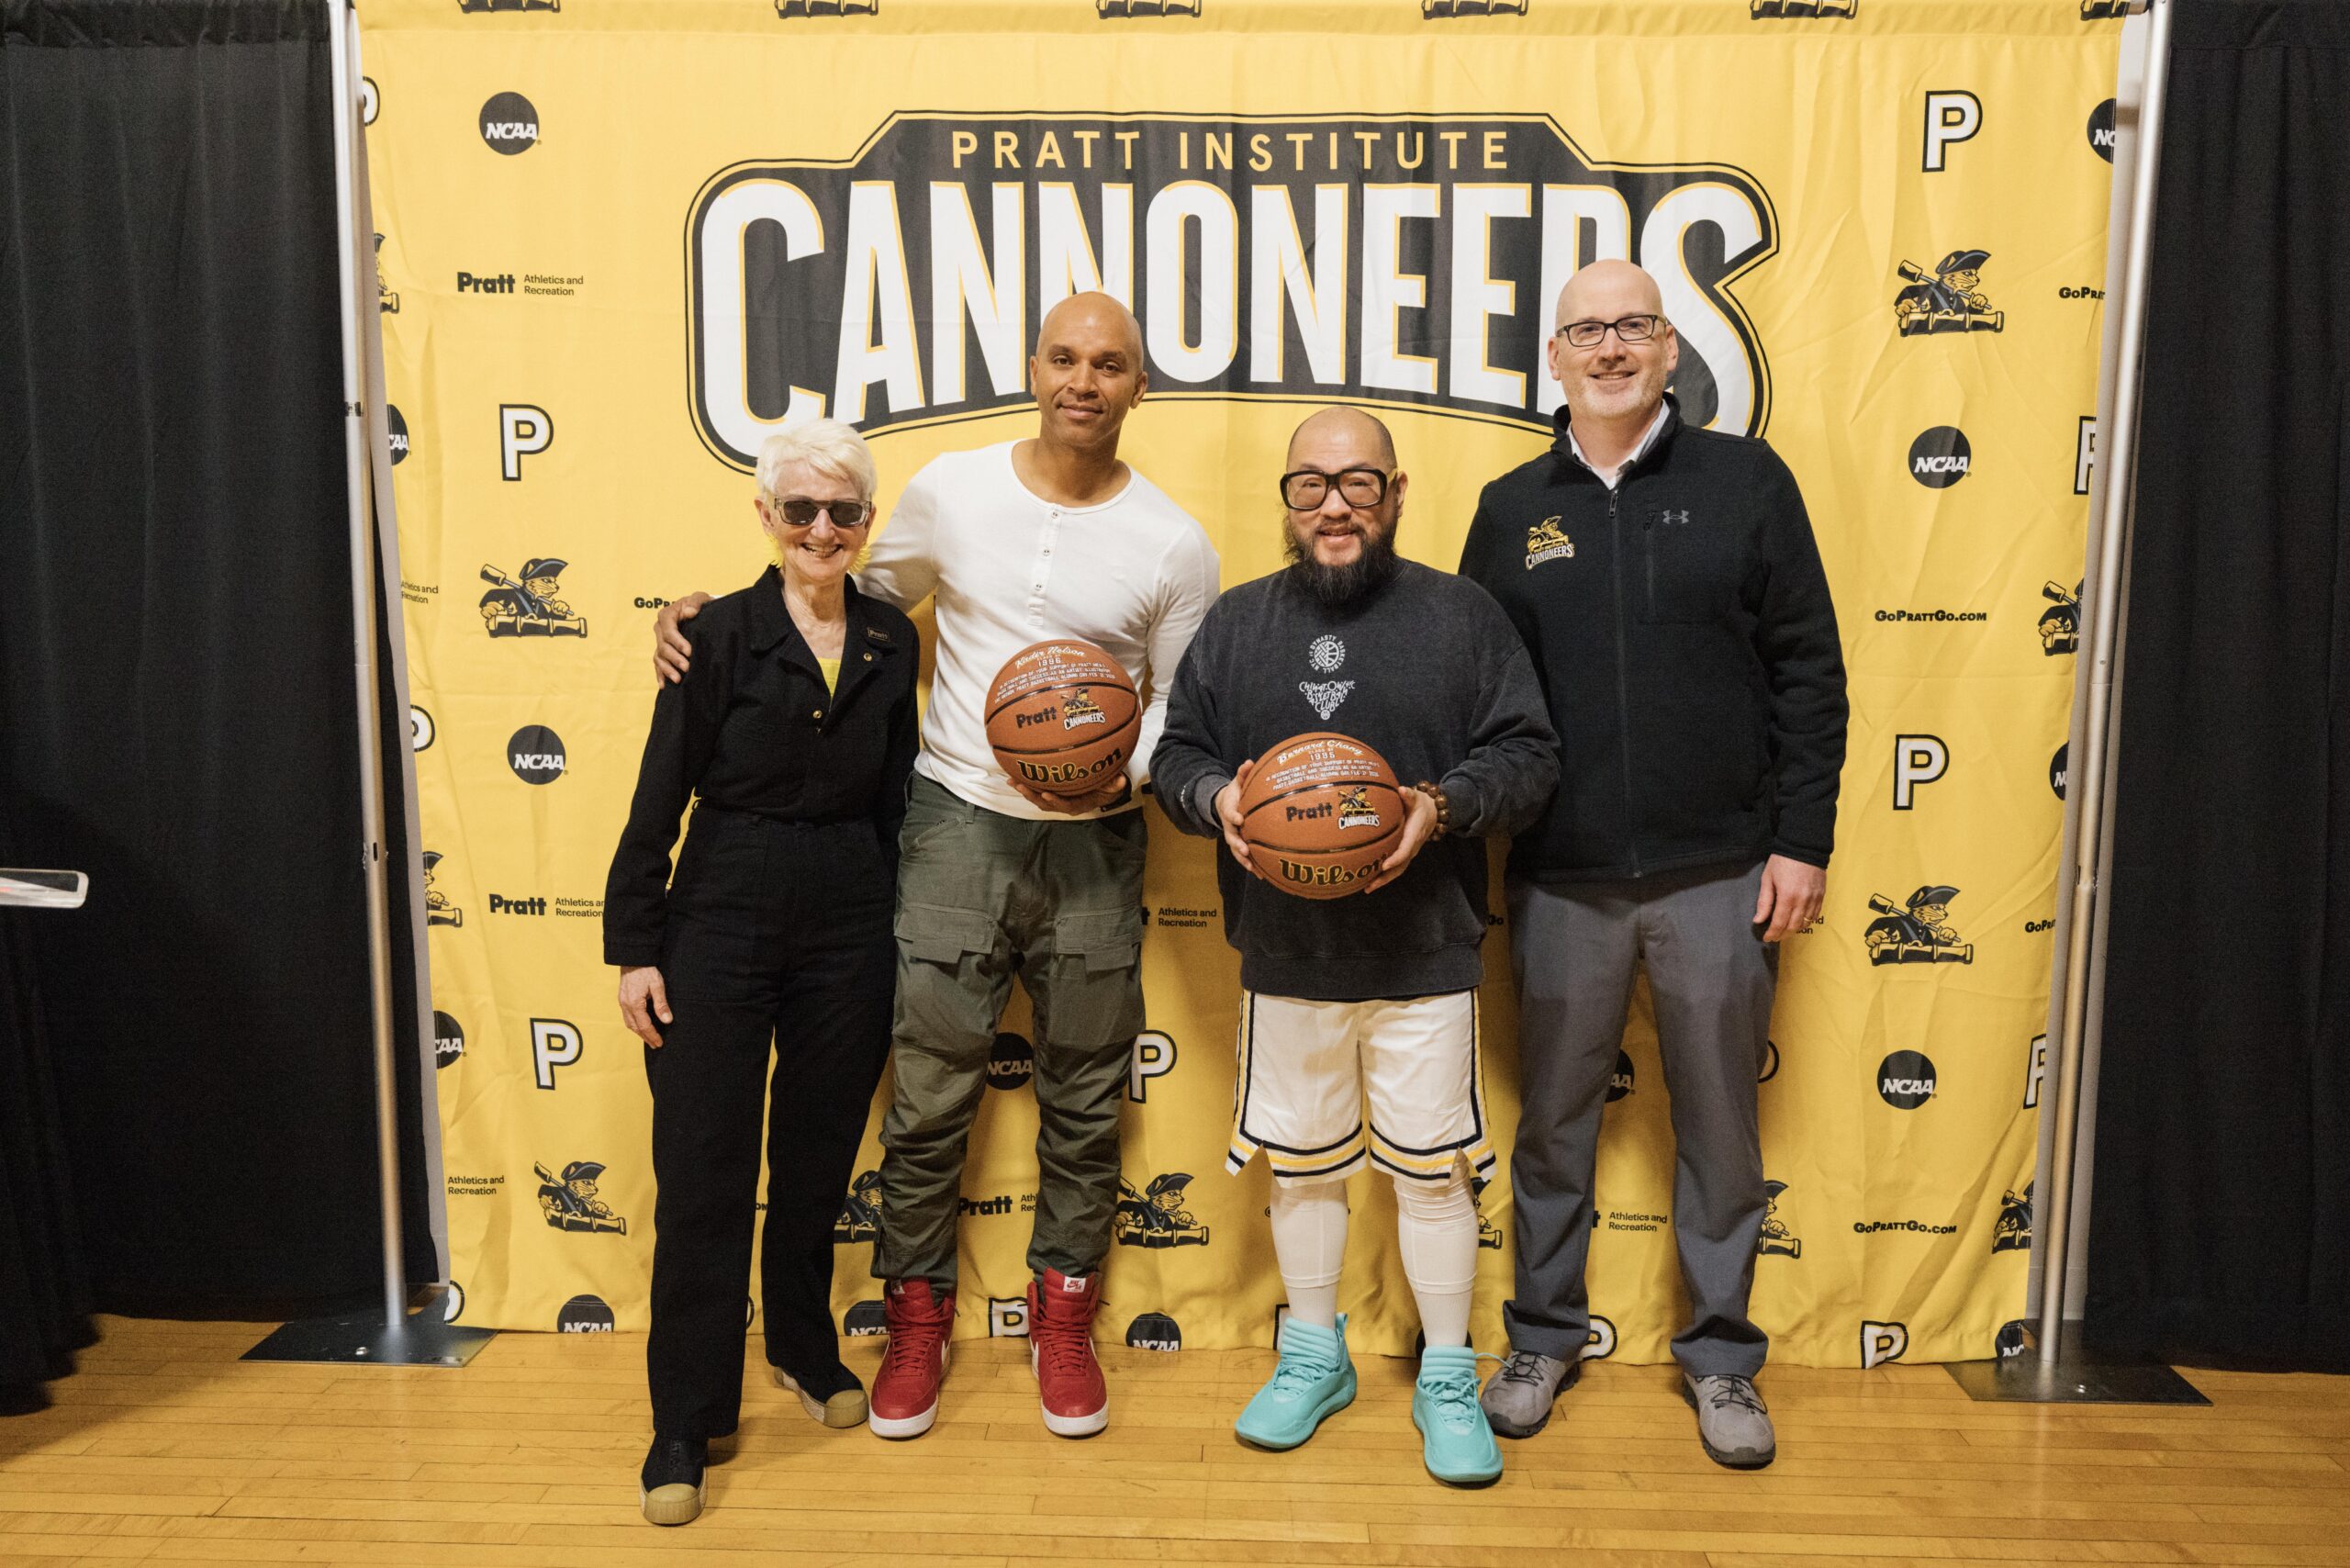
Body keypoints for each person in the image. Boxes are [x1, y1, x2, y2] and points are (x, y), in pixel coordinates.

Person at [653, 293, 1221, 1442]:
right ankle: (916, 1317)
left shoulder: (1174, 542)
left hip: (1096, 847)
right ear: (1033, 365)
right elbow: (840, 593)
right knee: (928, 1100)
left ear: (1136, 387)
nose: (1082, 380)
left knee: (1083, 1098)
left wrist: (1123, 773)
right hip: (956, 819)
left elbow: (1180, 705)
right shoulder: (952, 492)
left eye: (1109, 364)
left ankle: (1060, 1317)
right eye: (1063, 356)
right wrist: (712, 616)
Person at [1456, 260, 1847, 1469]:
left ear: (1671, 349)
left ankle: (1723, 1357)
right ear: (1557, 358)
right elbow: (1479, 700)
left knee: (1723, 1133)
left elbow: (1809, 673)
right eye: (1587, 330)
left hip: (1722, 874)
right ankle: (1542, 1336)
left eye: (1633, 326)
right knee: (1554, 1127)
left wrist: (1802, 840)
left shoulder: (1748, 484)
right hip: (1563, 880)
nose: (1611, 347)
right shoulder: (1512, 506)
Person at [1152, 407, 1559, 1485]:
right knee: (1303, 1164)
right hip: (1287, 952)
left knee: (1432, 1175)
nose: (1333, 504)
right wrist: (1213, 795)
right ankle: (1312, 1354)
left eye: (1358, 483)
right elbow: (1178, 748)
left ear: (1394, 492)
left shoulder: (1463, 616)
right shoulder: (1238, 623)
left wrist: (1444, 801)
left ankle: (1445, 1373)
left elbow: (1528, 752)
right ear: (1286, 500)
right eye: (1310, 485)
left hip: (1423, 948)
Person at [607, 419, 919, 1525]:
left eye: (842, 511)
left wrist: (892, 928)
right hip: (720, 914)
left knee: (818, 1154)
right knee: (702, 1172)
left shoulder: (890, 638)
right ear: (766, 518)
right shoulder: (714, 634)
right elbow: (660, 795)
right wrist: (635, 947)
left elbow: (895, 803)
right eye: (800, 510)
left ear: (865, 523)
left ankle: (801, 1346)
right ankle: (685, 1419)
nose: (821, 528)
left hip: (849, 919)